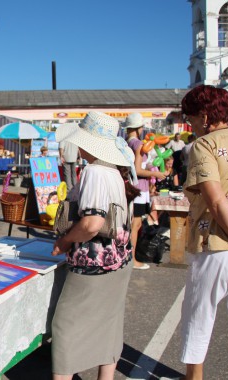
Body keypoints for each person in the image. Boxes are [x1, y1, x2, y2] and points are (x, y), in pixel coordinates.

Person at [51, 111, 139, 379]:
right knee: (109, 325)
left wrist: (64, 241)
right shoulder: (114, 172)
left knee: (64, 327)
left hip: (94, 265)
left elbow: (92, 224)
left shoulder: (94, 171)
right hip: (118, 262)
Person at [180, 85, 228, 380]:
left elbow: (215, 201)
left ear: (204, 116)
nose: (190, 124)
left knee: (197, 318)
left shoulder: (204, 145)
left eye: (191, 118)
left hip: (217, 243)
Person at [124, 112, 166, 269]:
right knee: (135, 225)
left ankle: (128, 257)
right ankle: (132, 259)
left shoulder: (126, 143)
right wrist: (155, 173)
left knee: (129, 224)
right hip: (139, 190)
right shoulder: (138, 144)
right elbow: (138, 170)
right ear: (139, 128)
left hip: (130, 187)